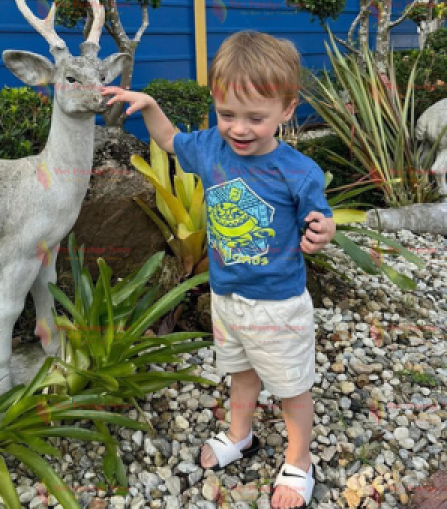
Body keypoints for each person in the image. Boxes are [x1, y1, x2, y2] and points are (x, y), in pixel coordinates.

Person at [101, 30, 336, 509]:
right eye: (227, 114)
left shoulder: (299, 171)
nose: (239, 129)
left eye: (256, 118)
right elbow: (168, 140)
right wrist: (148, 104)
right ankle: (240, 435)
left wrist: (322, 231)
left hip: (279, 305)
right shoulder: (210, 148)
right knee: (241, 374)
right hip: (227, 298)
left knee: (292, 389)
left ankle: (299, 461)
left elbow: (320, 216)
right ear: (215, 102)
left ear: (287, 110)